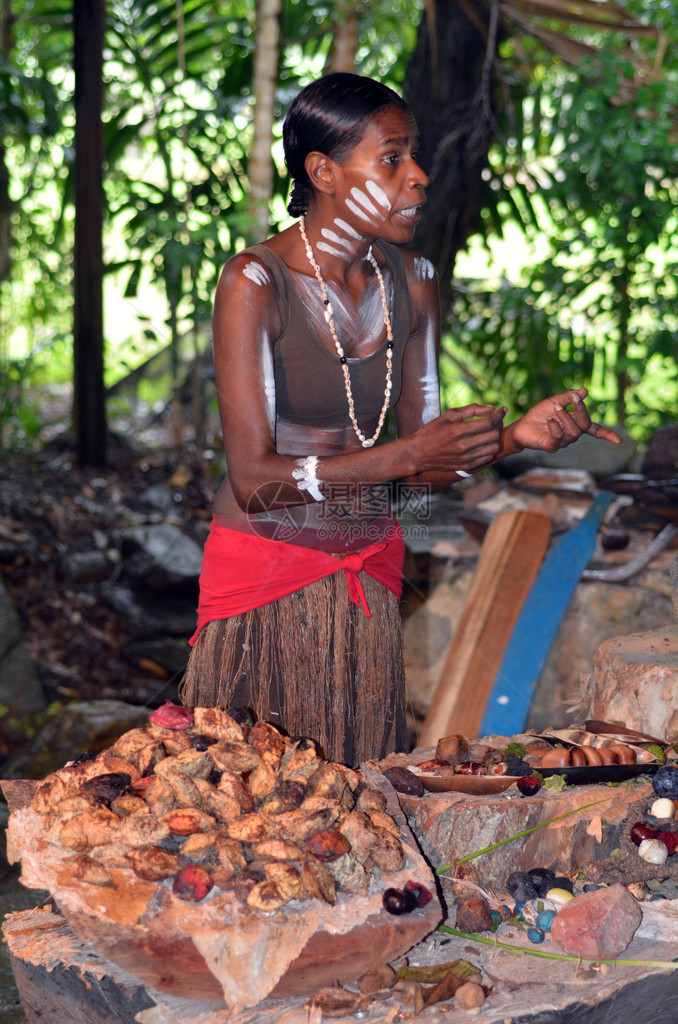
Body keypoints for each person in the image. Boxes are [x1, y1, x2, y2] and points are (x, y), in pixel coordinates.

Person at [180, 72, 621, 766]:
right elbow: (257, 482)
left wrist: (514, 438)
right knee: (253, 795)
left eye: (413, 156)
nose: (416, 178)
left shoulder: (411, 280)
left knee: (354, 795)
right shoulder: (255, 282)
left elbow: (425, 472)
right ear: (323, 171)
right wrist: (410, 455)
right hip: (266, 576)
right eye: (391, 159)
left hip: (369, 576)